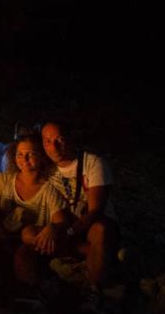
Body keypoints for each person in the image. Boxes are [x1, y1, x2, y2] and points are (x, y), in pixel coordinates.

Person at [0, 133, 68, 289]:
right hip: (4, 235)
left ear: (41, 157)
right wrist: (2, 236)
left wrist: (52, 227)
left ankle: (28, 292)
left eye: (31, 154)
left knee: (22, 254)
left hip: (28, 244)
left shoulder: (48, 189)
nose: (24, 159)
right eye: (20, 154)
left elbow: (60, 220)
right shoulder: (4, 180)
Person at [41, 121, 121, 292]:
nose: (53, 147)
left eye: (59, 140)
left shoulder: (92, 164)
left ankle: (95, 288)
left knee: (99, 229)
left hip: (92, 225)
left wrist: (68, 232)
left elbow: (96, 212)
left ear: (70, 139)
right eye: (47, 141)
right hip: (67, 224)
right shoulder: (46, 169)